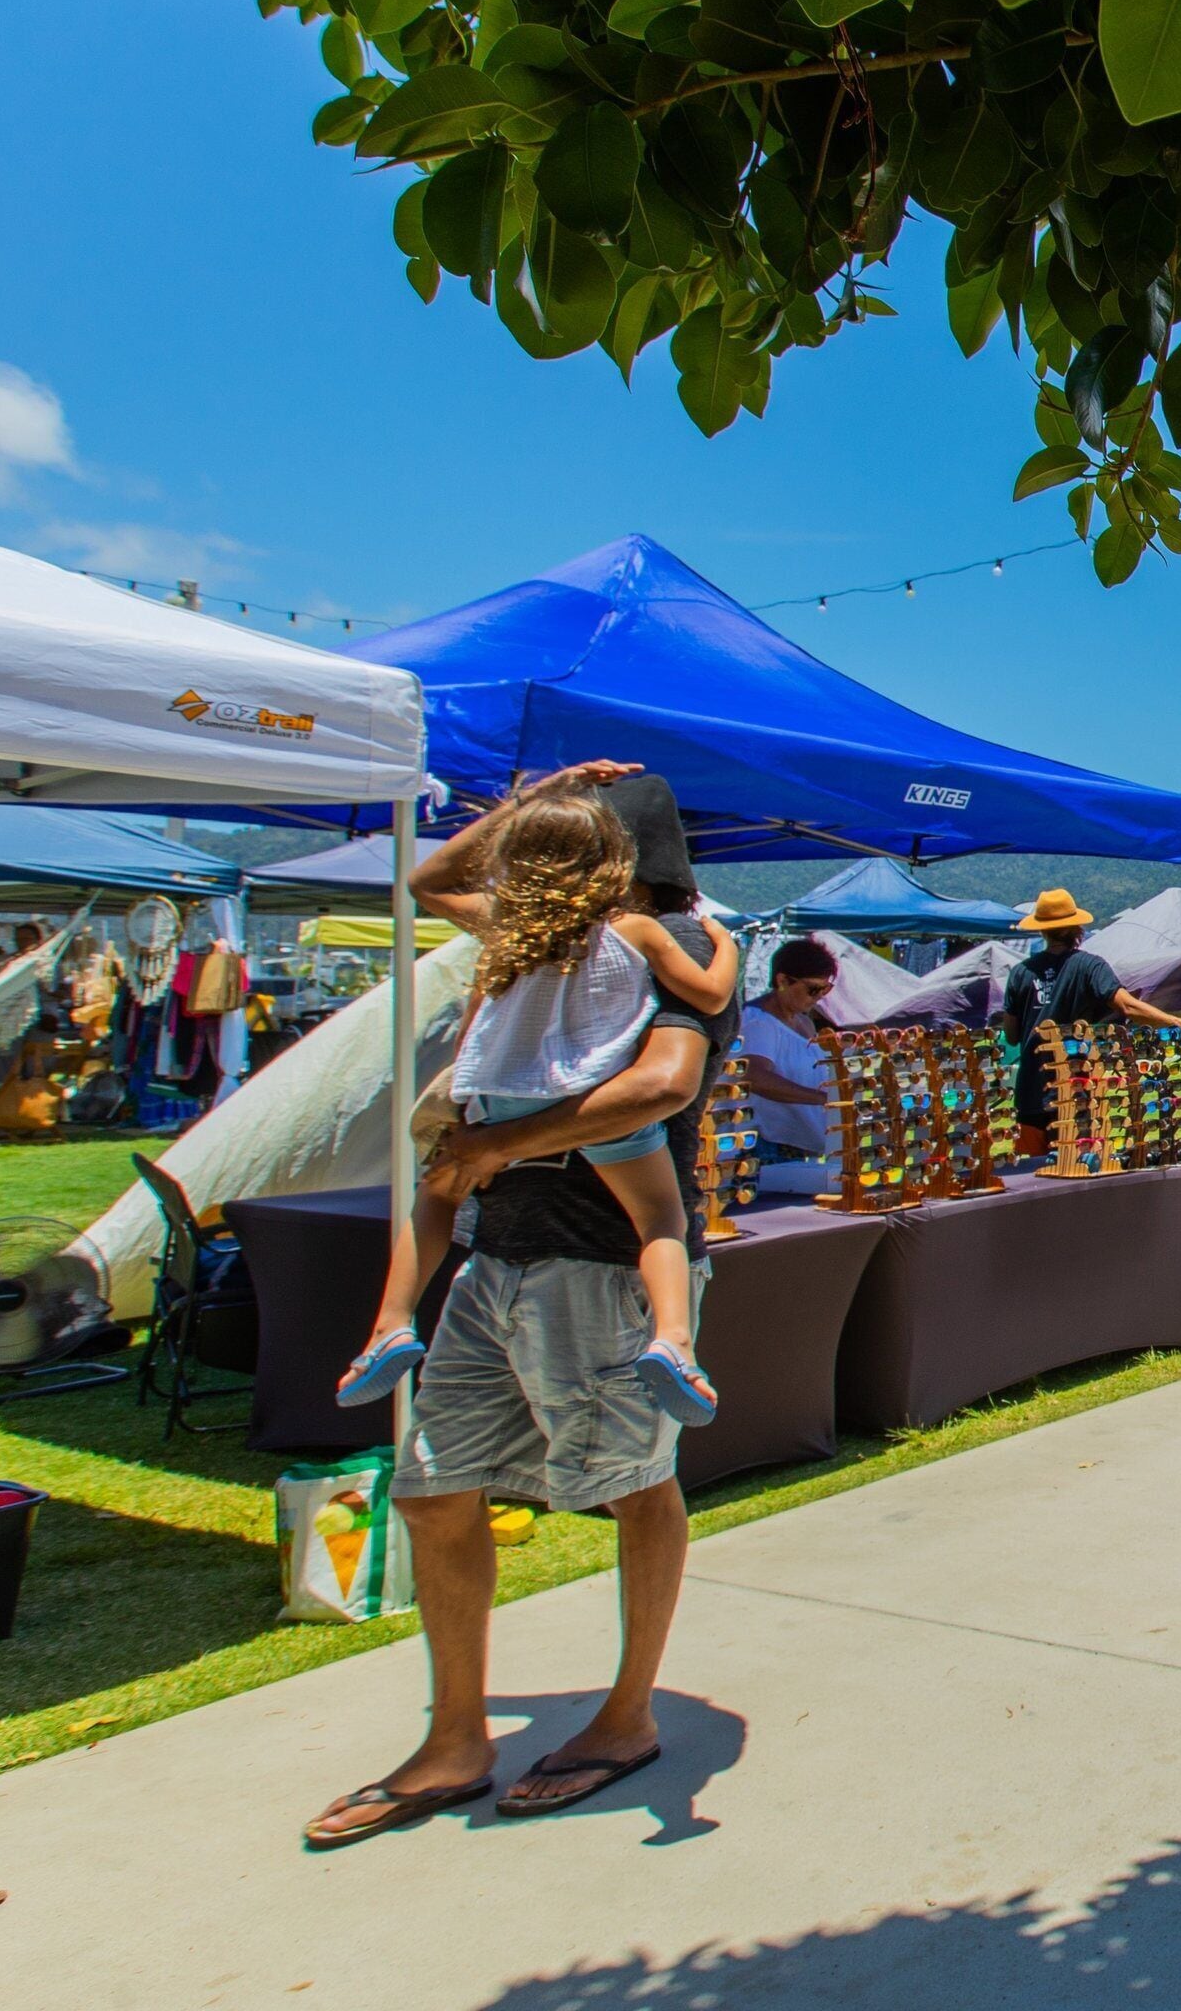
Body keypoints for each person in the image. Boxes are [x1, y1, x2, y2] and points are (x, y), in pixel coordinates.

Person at [307, 765, 739, 1845]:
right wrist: (539, 794)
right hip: (497, 1262)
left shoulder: (654, 953)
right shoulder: (562, 939)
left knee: (636, 1486)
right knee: (433, 1485)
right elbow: (434, 877)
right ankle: (456, 1734)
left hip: (592, 1269)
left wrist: (494, 1142)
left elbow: (663, 1086)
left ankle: (627, 1715)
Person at [337, 786, 740, 1433]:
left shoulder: (509, 928)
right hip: (582, 1092)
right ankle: (674, 1341)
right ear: (618, 860)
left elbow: (426, 882)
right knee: (660, 1216)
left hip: (493, 1097)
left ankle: (388, 1324)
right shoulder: (642, 931)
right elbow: (710, 997)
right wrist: (727, 949)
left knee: (435, 1196)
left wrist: (532, 799)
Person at [1000, 890, 1181, 1154]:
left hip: (1030, 1092)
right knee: (1075, 1173)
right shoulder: (1089, 966)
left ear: (1042, 931)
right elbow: (1127, 1006)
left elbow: (1011, 1035)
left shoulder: (1020, 973)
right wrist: (1178, 1022)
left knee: (1031, 1182)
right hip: (1075, 1089)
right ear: (1076, 927)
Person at [736, 936, 841, 1196]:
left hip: (797, 1149)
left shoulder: (802, 1023)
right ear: (782, 981)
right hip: (763, 1149)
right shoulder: (758, 1021)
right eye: (813, 989)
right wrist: (823, 1099)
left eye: (825, 990)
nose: (819, 997)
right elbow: (754, 1077)